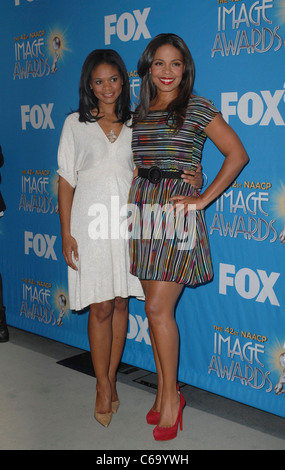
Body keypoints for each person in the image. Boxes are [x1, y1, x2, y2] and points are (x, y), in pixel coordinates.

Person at [57, 49, 202, 428]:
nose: (107, 87)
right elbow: (66, 180)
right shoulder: (75, 124)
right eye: (99, 81)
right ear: (89, 85)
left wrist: (196, 177)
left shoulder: (139, 121)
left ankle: (114, 380)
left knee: (122, 303)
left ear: (125, 81)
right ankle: (102, 385)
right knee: (100, 307)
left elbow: (165, 159)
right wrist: (65, 232)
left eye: (114, 79)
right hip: (90, 224)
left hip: (132, 222)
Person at [128, 33, 249, 441]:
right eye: (159, 63)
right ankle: (165, 395)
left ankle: (171, 402)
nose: (167, 71)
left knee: (159, 310)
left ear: (186, 68)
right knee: (152, 311)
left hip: (177, 213)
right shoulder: (140, 112)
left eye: (175, 63)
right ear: (147, 67)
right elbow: (139, 165)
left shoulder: (197, 107)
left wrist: (202, 198)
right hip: (143, 211)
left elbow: (237, 154)